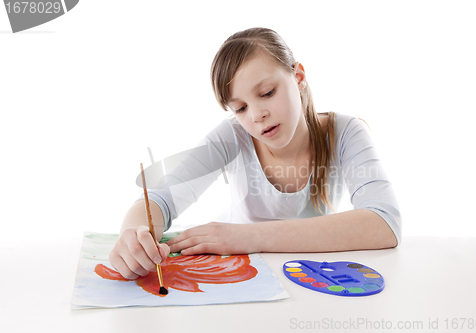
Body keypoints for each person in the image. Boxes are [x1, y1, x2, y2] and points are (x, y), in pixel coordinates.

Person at [109, 27, 401, 280]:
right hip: (243, 275)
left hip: (305, 279)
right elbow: (161, 198)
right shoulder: (233, 137)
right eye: (240, 108)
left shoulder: (345, 132)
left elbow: (384, 223)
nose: (257, 115)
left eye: (267, 93)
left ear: (298, 77)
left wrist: (247, 236)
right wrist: (134, 235)